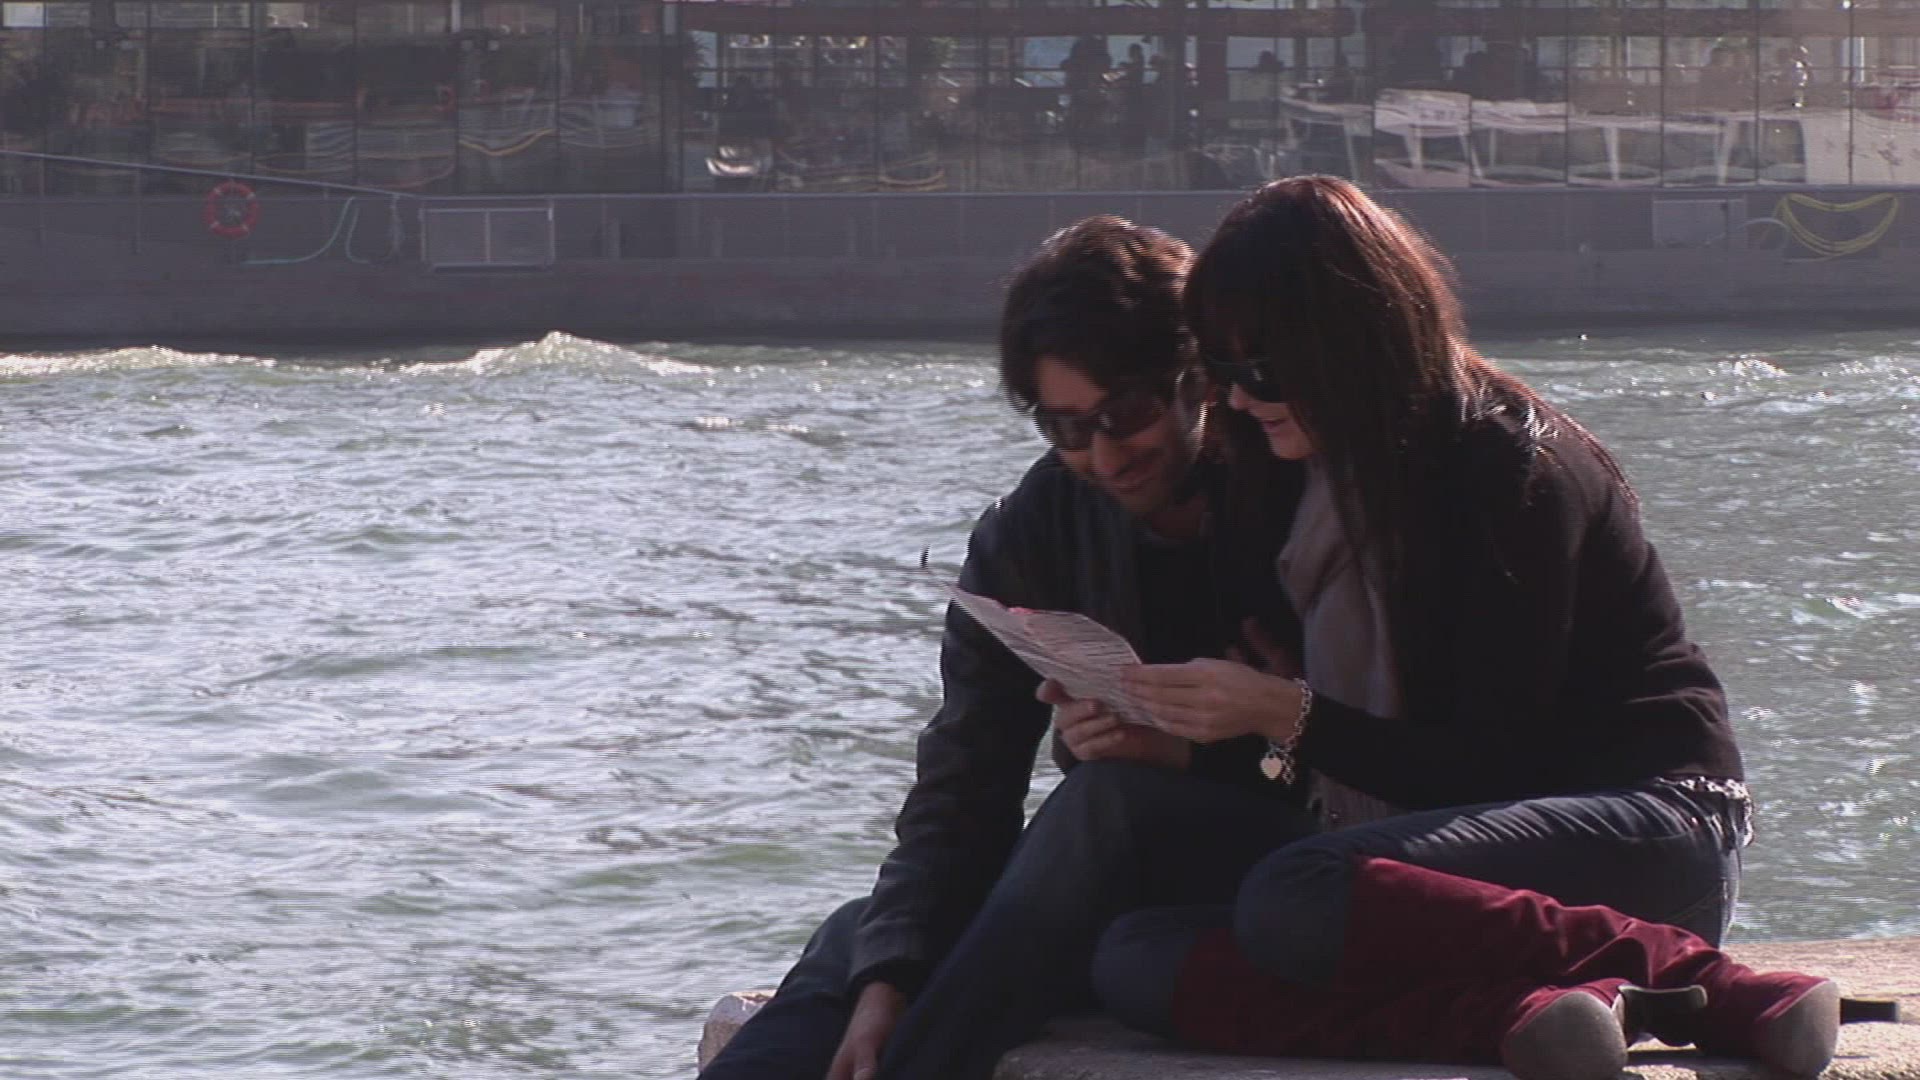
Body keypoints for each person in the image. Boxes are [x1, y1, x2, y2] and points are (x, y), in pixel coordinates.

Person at [1093, 174, 1839, 1079]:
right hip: (1444, 874)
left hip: (1646, 830)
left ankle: (1709, 985)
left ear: (1350, 345)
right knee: (1134, 953)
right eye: (1222, 371)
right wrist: (1180, 733)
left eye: (1262, 371)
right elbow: (1349, 757)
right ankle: (1519, 1017)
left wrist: (1287, 712)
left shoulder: (1512, 471)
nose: (1240, 401)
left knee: (1294, 894)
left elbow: (1495, 763)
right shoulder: (1296, 483)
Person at [698, 216, 1320, 1080]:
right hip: (1109, 878)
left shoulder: (1300, 491)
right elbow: (965, 780)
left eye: (1127, 415)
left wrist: (1194, 753)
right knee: (867, 939)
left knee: (1107, 801)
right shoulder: (1033, 531)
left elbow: (1392, 761)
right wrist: (890, 976)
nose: (1105, 456)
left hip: (1289, 875)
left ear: (1195, 381)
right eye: (1067, 429)